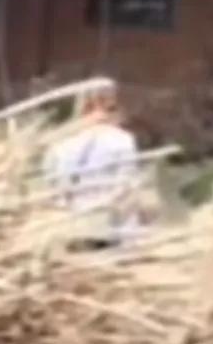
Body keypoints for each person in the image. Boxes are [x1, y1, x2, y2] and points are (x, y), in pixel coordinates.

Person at [43, 80, 144, 250]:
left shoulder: (60, 144)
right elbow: (126, 187)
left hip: (73, 226)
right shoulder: (122, 141)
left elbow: (53, 188)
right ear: (111, 103)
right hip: (110, 228)